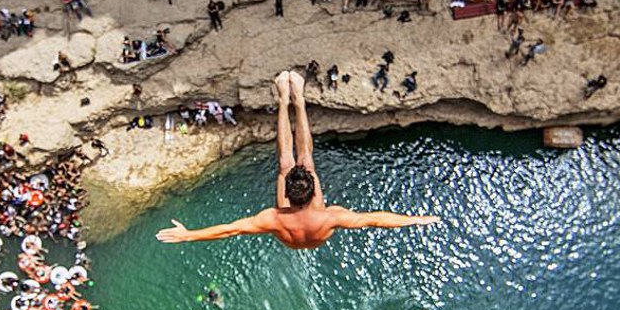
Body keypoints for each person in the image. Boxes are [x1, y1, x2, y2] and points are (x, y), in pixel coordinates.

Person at [157, 72, 439, 249]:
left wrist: (189, 234)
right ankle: (299, 100)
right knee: (305, 160)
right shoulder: (331, 216)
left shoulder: (273, 218)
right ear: (314, 192)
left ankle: (283, 100)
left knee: (285, 163)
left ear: (286, 197)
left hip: (288, 233)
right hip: (316, 232)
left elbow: (231, 229)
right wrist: (414, 219)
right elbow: (375, 220)